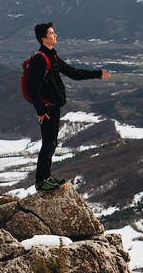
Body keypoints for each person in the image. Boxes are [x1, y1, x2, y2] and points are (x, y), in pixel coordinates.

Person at [27, 22, 111, 191]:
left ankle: (46, 177)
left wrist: (97, 74)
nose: (55, 35)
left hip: (53, 107)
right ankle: (41, 181)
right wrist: (40, 110)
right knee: (48, 143)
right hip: (48, 108)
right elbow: (32, 87)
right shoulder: (40, 59)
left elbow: (73, 73)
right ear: (43, 38)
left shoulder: (52, 57)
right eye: (51, 33)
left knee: (51, 143)